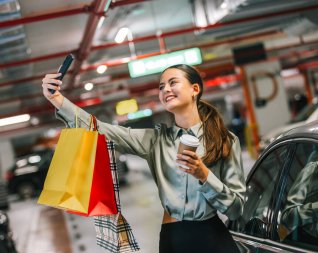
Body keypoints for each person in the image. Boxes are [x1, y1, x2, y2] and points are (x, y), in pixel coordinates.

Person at [42, 64, 245, 253]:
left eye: (173, 82)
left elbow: (236, 210)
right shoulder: (154, 141)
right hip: (174, 239)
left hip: (214, 238)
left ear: (195, 89)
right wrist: (57, 99)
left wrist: (204, 175)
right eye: (161, 86)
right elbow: (99, 129)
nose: (165, 89)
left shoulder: (225, 140)